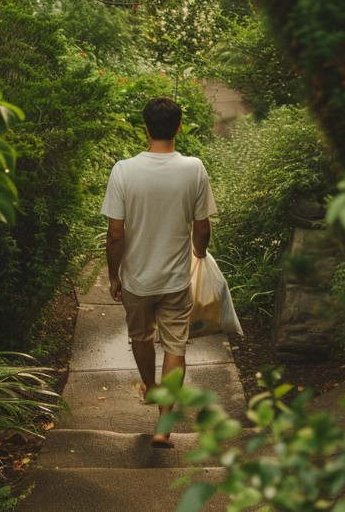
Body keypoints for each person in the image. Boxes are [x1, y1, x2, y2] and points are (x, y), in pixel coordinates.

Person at [100, 96, 217, 448]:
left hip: (137, 280)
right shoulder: (194, 169)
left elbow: (115, 233)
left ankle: (150, 387)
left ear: (145, 128)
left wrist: (115, 275)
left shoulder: (124, 170)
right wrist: (199, 253)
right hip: (176, 279)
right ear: (179, 128)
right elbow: (202, 227)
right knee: (176, 346)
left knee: (141, 337)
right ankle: (164, 426)